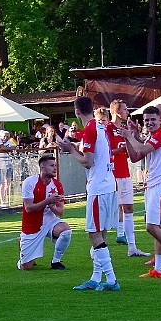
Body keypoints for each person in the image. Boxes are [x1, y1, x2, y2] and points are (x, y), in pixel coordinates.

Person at [56, 96, 121, 292]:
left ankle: (111, 279)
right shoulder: (99, 127)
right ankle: (95, 277)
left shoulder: (92, 129)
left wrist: (69, 149)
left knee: (94, 233)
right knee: (101, 233)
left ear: (76, 112)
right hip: (109, 184)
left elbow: (88, 161)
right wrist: (74, 145)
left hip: (99, 187)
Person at [118, 106, 161, 279]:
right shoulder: (151, 136)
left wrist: (130, 136)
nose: (149, 123)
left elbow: (141, 150)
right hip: (153, 185)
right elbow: (134, 157)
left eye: (152, 119)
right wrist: (130, 138)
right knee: (158, 227)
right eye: (146, 120)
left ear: (160, 119)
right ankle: (159, 268)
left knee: (152, 226)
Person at [18, 154, 73, 270]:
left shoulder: (57, 185)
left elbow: (60, 212)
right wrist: (47, 201)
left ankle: (56, 261)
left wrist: (52, 206)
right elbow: (29, 208)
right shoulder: (29, 182)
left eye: (55, 165)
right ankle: (23, 248)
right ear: (42, 168)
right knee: (26, 267)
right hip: (32, 223)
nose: (55, 168)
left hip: (49, 220)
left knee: (66, 230)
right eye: (51, 165)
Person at [110, 99, 149, 257]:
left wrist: (135, 135)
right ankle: (97, 248)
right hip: (112, 175)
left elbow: (138, 147)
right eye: (125, 109)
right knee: (109, 211)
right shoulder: (108, 128)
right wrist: (118, 150)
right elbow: (104, 151)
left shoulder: (125, 129)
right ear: (116, 111)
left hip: (125, 174)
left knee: (129, 208)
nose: (127, 112)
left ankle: (132, 247)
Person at [0, 130, 14, 207]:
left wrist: (6, 148)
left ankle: (3, 200)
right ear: (0, 136)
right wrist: (7, 148)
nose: (6, 138)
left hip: (7, 164)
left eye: (7, 136)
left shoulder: (9, 142)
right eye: (4, 136)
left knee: (7, 183)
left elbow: (14, 147)